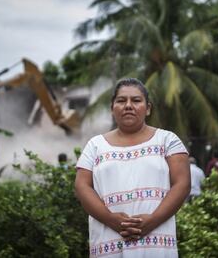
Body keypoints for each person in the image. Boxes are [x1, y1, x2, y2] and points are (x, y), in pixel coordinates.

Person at [75, 78, 190, 257]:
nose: (128, 105)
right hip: (109, 244)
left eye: (136, 100)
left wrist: (152, 221)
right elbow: (82, 186)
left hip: (156, 245)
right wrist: (110, 219)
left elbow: (182, 184)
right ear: (112, 108)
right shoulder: (94, 146)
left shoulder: (168, 141)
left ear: (148, 108)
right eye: (121, 101)